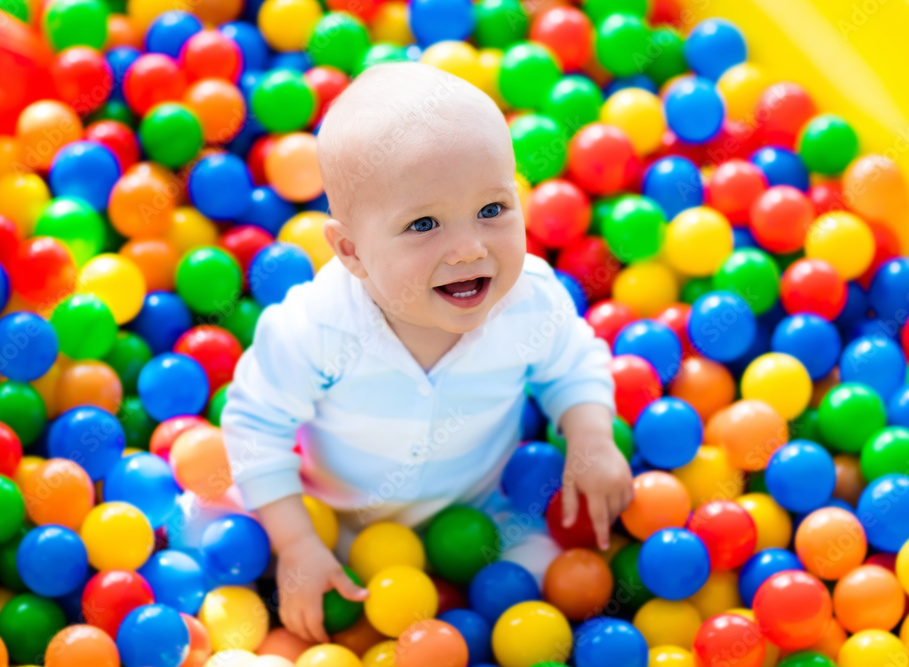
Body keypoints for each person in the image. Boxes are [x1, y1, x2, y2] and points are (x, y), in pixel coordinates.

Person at [221, 61, 633, 645]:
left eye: (492, 211)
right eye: (423, 224)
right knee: (222, 548)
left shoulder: (527, 302)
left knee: (564, 588)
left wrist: (590, 436)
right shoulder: (317, 328)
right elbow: (254, 425)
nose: (468, 249)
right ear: (352, 251)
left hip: (486, 509)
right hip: (335, 521)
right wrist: (296, 543)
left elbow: (574, 361)